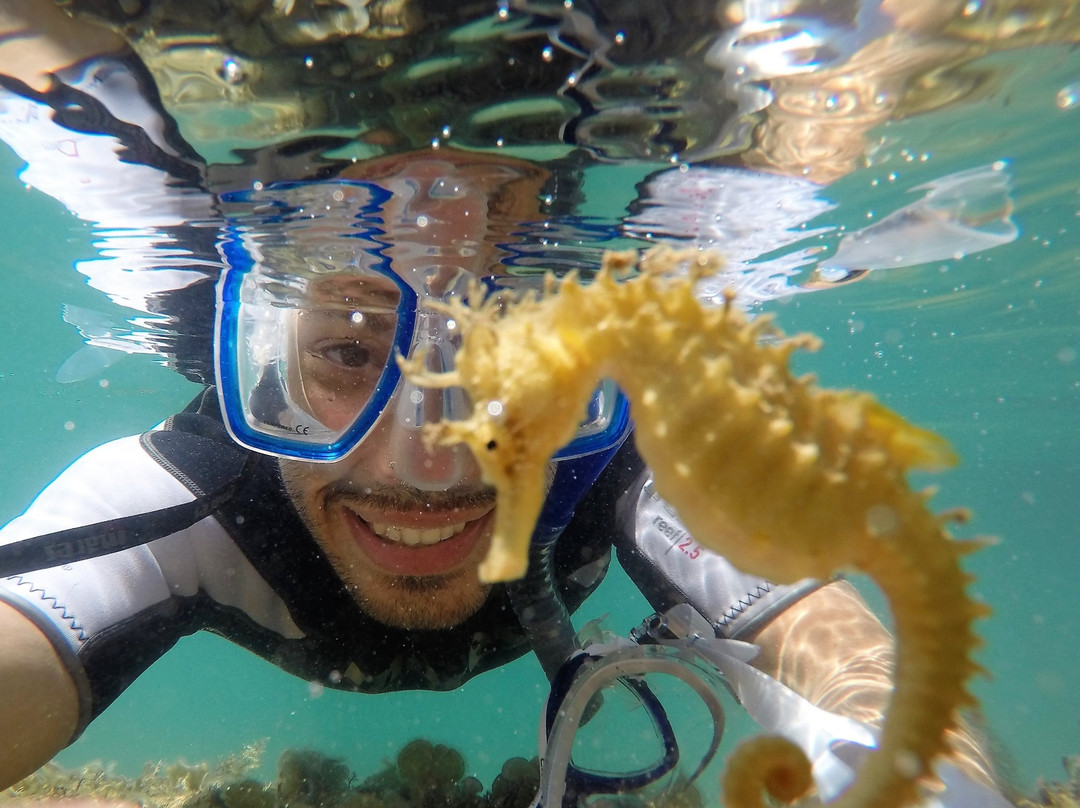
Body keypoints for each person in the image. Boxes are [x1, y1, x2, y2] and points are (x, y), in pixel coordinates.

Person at [0, 2, 1014, 805]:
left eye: (505, 351)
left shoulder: (633, 462)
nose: (427, 468)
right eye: (350, 353)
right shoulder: (179, 499)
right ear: (252, 362)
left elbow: (853, 667)